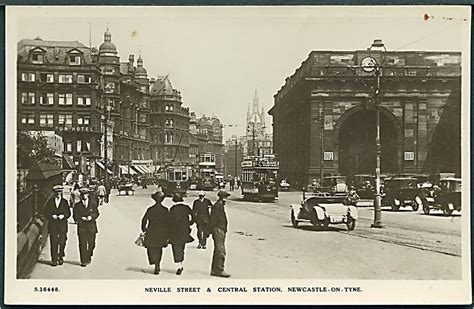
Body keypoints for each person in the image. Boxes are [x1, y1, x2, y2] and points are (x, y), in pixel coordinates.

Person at [141, 190, 170, 275]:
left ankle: (154, 262)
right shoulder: (165, 210)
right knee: (159, 248)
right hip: (161, 232)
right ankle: (157, 264)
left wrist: (144, 229)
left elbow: (144, 220)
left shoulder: (150, 209)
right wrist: (168, 233)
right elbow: (169, 222)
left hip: (151, 231)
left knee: (151, 248)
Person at [44, 185, 71, 266]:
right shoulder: (50, 202)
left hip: (62, 225)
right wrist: (52, 216)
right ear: (54, 193)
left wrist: (64, 215)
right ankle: (54, 260)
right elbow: (46, 212)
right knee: (54, 242)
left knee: (62, 242)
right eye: (56, 192)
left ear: (61, 192)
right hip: (53, 225)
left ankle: (60, 256)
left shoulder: (65, 202)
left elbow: (68, 213)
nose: (58, 194)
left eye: (59, 192)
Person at [73, 187, 100, 267]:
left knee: (92, 244)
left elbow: (96, 213)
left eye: (85, 194)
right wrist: (81, 218)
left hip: (91, 227)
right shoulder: (77, 205)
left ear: (88, 195)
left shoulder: (93, 203)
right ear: (81, 195)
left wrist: (91, 217)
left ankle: (89, 255)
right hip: (82, 227)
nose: (84, 196)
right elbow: (75, 216)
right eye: (82, 194)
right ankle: (83, 260)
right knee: (82, 244)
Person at [169, 193, 194, 275]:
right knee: (182, 247)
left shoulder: (172, 209)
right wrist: (190, 223)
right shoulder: (186, 207)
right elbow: (193, 215)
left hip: (174, 231)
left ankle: (178, 265)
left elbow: (169, 221)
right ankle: (181, 262)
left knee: (176, 248)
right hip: (184, 231)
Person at [209, 190, 231, 278]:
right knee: (221, 251)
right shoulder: (218, 206)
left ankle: (214, 270)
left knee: (217, 250)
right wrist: (215, 230)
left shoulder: (219, 206)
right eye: (225, 198)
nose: (226, 200)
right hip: (218, 230)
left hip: (219, 229)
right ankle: (219, 270)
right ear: (222, 198)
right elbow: (214, 220)